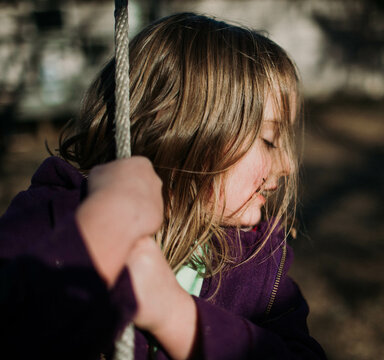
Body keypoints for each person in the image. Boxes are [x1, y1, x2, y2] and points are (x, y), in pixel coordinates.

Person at [0, 12, 326, 360]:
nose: (289, 165)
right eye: (269, 140)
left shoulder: (258, 265)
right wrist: (96, 233)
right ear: (181, 129)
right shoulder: (54, 217)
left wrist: (176, 316)